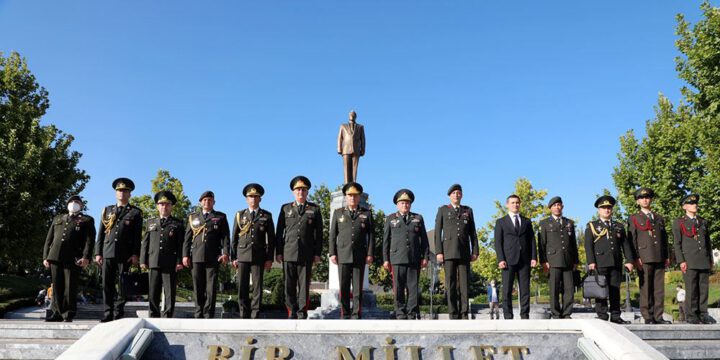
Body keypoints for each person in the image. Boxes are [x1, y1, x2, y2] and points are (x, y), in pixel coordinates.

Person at [95, 178, 143, 322]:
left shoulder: (135, 212)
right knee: (107, 284)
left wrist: (135, 253)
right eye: (119, 190)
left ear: (130, 194)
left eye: (125, 191)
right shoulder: (107, 210)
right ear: (116, 193)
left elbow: (136, 235)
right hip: (107, 251)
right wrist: (98, 252)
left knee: (123, 285)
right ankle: (107, 313)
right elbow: (101, 233)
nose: (122, 193)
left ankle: (118, 311)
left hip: (125, 253)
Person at [276, 176, 323, 319]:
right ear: (293, 192)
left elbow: (319, 234)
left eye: (303, 189)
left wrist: (317, 253)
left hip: (306, 253)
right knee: (289, 285)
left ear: (307, 192)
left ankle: (302, 312)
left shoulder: (314, 209)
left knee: (304, 286)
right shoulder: (285, 208)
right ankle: (291, 311)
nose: (300, 192)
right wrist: (278, 252)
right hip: (288, 252)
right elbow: (279, 233)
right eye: (298, 189)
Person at [43, 195, 95, 322]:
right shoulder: (58, 218)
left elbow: (89, 241)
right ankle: (56, 312)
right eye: (71, 201)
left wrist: (86, 257)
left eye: (77, 202)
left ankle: (68, 313)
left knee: (70, 287)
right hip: (55, 256)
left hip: (74, 258)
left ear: (81, 206)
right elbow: (49, 239)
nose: (74, 203)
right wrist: (46, 256)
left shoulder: (86, 220)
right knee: (56, 286)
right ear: (67, 204)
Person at [584, 195, 634, 324]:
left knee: (615, 290)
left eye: (609, 208)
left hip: (616, 262)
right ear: (599, 210)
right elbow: (588, 246)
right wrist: (591, 262)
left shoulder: (618, 226)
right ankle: (602, 316)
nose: (607, 210)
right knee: (601, 290)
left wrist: (629, 260)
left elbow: (625, 245)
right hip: (600, 263)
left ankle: (616, 316)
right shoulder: (592, 226)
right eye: (604, 208)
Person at [329, 182, 374, 319]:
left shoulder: (366, 214)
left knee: (357, 288)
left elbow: (371, 235)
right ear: (346, 197)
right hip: (343, 254)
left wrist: (370, 253)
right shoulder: (338, 213)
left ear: (359, 197)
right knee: (343, 287)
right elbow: (332, 234)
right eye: (350, 195)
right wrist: (332, 253)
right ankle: (345, 312)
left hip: (360, 254)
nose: (352, 198)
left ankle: (356, 313)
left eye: (355, 196)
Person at [434, 184, 479, 320]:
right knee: (451, 284)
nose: (456, 195)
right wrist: (439, 252)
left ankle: (464, 313)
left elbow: (473, 233)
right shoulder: (443, 210)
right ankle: (453, 313)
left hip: (464, 252)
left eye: (458, 193)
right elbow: (437, 233)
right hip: (448, 252)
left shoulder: (468, 210)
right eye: (453, 193)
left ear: (462, 195)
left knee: (465, 284)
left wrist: (475, 251)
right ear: (449, 196)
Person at [231, 183, 276, 319]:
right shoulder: (240, 215)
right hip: (242, 255)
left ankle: (255, 313)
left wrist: (269, 259)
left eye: (256, 196)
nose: (253, 199)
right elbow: (234, 238)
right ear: (246, 199)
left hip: (259, 255)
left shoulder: (266, 216)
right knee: (242, 287)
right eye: (250, 196)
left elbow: (272, 240)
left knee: (257, 287)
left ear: (260, 199)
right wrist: (234, 257)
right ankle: (243, 313)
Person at [382, 189, 429, 320]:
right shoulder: (391, 219)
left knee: (413, 288)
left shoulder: (418, 218)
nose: (405, 205)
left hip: (414, 258)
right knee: (399, 288)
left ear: (410, 204)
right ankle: (400, 312)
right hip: (396, 258)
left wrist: (425, 257)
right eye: (402, 203)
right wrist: (385, 259)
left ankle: (412, 312)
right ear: (397, 204)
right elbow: (386, 240)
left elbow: (424, 240)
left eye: (407, 203)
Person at [183, 190, 230, 318]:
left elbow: (225, 237)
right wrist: (185, 255)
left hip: (213, 257)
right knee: (198, 286)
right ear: (200, 202)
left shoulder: (220, 217)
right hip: (196, 257)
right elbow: (187, 238)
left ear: (213, 202)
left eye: (209, 200)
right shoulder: (193, 217)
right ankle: (198, 313)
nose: (207, 202)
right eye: (204, 200)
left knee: (211, 288)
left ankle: (209, 313)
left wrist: (225, 253)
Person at [627, 187, 671, 324]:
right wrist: (635, 258)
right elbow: (632, 239)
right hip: (644, 257)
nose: (645, 200)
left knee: (659, 289)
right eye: (641, 198)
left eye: (647, 197)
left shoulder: (658, 217)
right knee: (646, 288)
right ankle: (647, 316)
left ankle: (658, 316)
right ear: (637, 201)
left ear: (651, 199)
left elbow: (664, 239)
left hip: (659, 256)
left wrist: (667, 256)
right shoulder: (634, 218)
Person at [140, 191, 184, 318]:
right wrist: (143, 260)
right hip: (153, 261)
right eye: (161, 204)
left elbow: (180, 244)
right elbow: (145, 243)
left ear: (171, 206)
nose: (164, 206)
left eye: (167, 204)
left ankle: (168, 316)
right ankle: (153, 315)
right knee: (153, 291)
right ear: (157, 206)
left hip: (170, 263)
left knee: (170, 292)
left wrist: (179, 261)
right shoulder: (150, 222)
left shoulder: (178, 223)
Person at [494, 194, 537, 319]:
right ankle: (508, 316)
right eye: (512, 203)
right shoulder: (501, 222)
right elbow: (498, 242)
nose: (515, 205)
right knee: (507, 290)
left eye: (517, 202)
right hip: (508, 260)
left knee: (525, 290)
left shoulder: (527, 221)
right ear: (507, 204)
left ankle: (524, 315)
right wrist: (501, 259)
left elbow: (532, 241)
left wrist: (534, 257)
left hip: (524, 260)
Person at [673, 194, 714, 324]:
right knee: (691, 289)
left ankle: (703, 314)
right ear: (684, 206)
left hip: (703, 259)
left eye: (695, 203)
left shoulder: (702, 221)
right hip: (689, 260)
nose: (694, 205)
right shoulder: (679, 222)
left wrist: (711, 259)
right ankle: (691, 315)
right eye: (691, 203)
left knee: (703, 289)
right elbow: (677, 243)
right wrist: (681, 260)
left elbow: (708, 243)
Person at [537, 196, 578, 319]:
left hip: (568, 261)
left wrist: (576, 260)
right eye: (554, 205)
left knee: (569, 289)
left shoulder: (569, 223)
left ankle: (566, 313)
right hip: (553, 261)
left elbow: (573, 243)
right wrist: (543, 261)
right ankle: (555, 313)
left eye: (559, 205)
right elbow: (541, 244)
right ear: (550, 208)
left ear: (562, 206)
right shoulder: (544, 223)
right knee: (554, 289)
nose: (557, 207)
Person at [337, 110, 366, 184]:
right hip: (346, 149)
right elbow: (340, 138)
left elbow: (363, 139)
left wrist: (363, 149)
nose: (352, 116)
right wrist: (339, 148)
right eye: (350, 114)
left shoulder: (360, 127)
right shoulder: (343, 126)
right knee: (346, 167)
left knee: (354, 167)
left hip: (356, 149)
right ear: (348, 116)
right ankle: (346, 184)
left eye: (353, 115)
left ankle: (353, 184)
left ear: (355, 117)